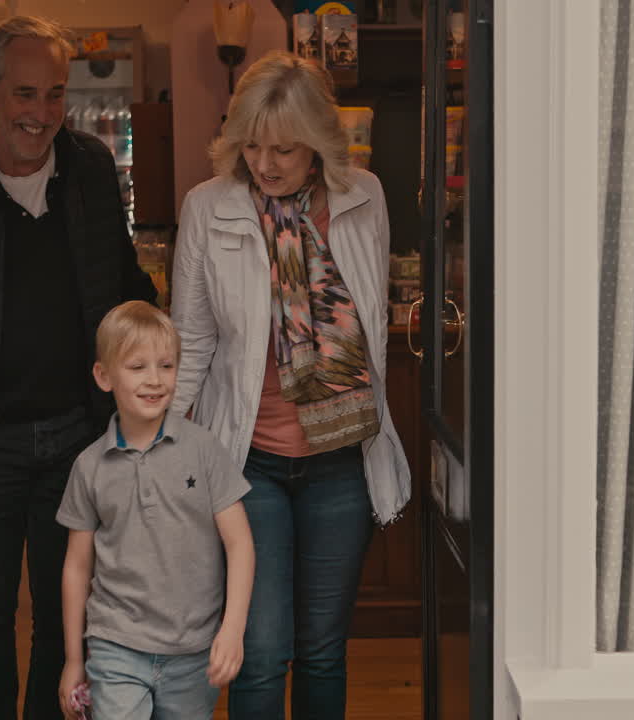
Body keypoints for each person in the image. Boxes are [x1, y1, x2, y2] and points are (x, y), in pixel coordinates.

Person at [169, 50, 411, 720]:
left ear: (319, 145)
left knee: (324, 650)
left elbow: (376, 332)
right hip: (248, 467)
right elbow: (190, 345)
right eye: (252, 145)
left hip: (342, 462)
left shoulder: (365, 197)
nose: (266, 164)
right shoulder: (208, 208)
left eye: (284, 149)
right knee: (259, 649)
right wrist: (163, 454)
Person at [0, 15, 158, 720]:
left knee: (62, 616)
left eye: (54, 95)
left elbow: (121, 279)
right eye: (24, 94)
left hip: (74, 437)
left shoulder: (90, 169)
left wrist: (156, 333)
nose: (40, 115)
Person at [56, 301, 255, 720]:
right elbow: (77, 566)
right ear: (104, 376)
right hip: (116, 645)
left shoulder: (204, 450)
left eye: (166, 366)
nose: (154, 380)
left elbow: (239, 544)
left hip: (193, 652)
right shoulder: (89, 466)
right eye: (137, 366)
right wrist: (75, 658)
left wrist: (232, 629)